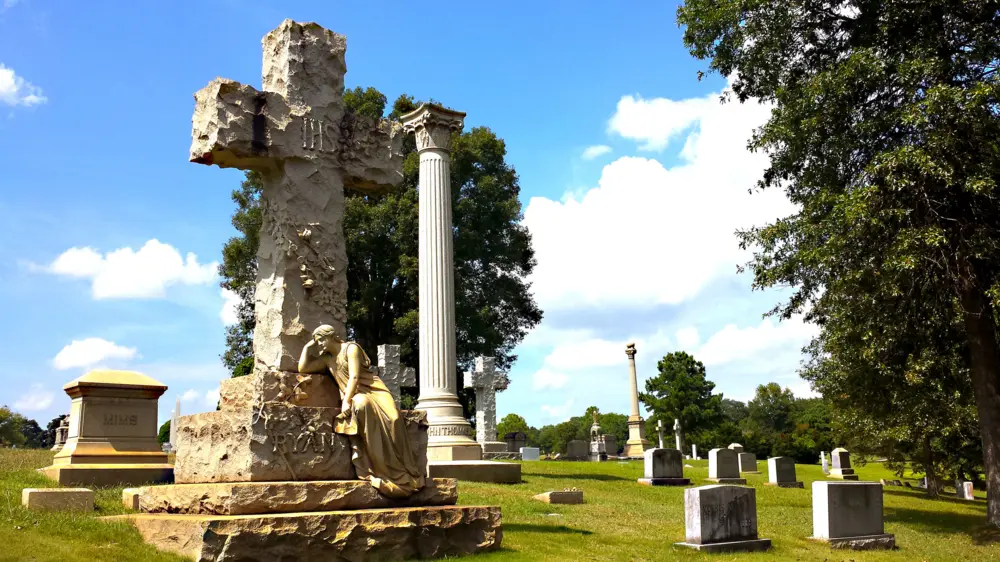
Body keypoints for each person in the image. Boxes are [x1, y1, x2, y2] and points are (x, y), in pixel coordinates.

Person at [298, 325, 424, 498]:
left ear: (331, 336)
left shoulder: (351, 348)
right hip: (357, 397)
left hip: (374, 390)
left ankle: (404, 469)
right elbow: (303, 368)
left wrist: (346, 401)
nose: (318, 344)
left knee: (394, 419)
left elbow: (355, 377)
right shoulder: (327, 359)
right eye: (316, 341)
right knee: (360, 404)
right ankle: (379, 468)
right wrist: (307, 347)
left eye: (320, 340)